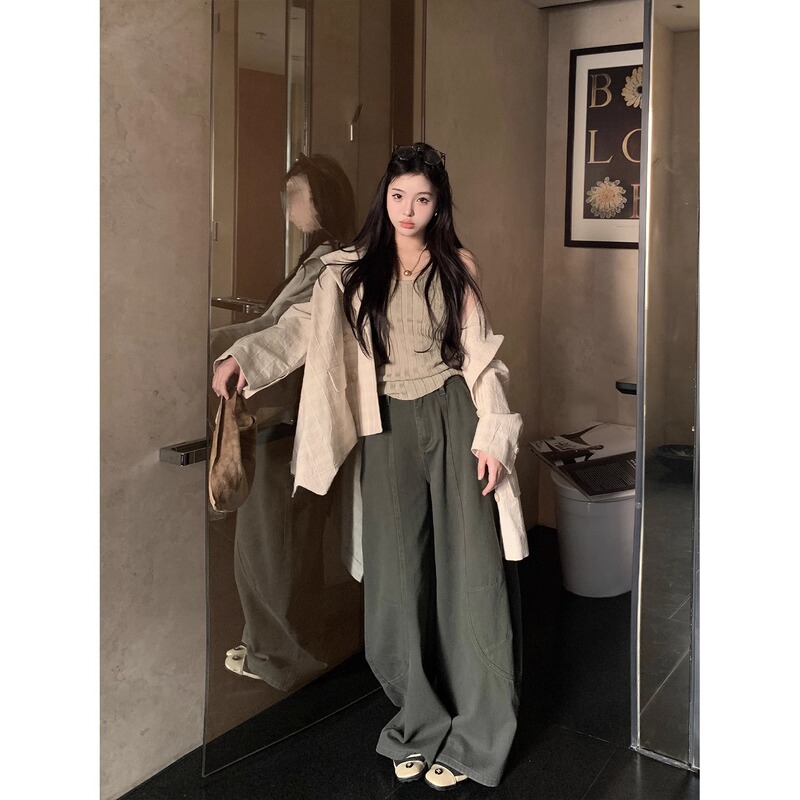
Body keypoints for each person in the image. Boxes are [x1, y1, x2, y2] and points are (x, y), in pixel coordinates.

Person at [212, 142, 527, 790]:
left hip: (455, 419)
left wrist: (494, 436)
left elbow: (482, 357)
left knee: (470, 576)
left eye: (422, 199)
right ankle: (418, 721)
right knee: (395, 581)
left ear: (438, 205)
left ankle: (477, 736)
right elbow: (299, 329)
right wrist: (245, 358)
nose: (408, 210)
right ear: (385, 198)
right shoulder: (350, 270)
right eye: (398, 196)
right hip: (386, 429)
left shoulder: (457, 267)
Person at [209, 153, 357, 692]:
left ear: (322, 200)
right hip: (286, 408)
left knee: (274, 539)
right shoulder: (320, 258)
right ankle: (273, 647)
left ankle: (279, 657)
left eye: (295, 194)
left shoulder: (336, 263)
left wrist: (216, 349)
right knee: (278, 538)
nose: (287, 205)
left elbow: (287, 330)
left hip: (291, 414)